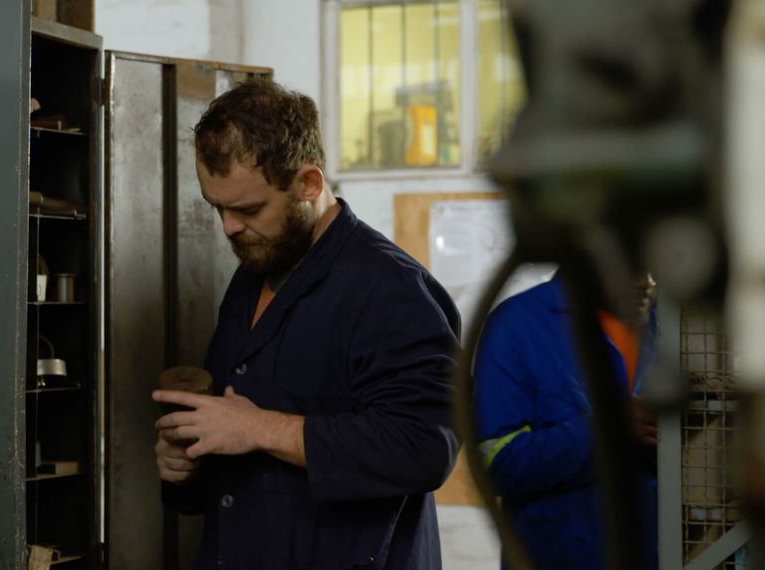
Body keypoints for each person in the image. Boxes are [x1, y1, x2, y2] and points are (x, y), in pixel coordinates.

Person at [151, 78, 462, 569]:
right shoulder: (253, 274)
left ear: (309, 184)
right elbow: (238, 443)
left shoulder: (390, 288)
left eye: (248, 208)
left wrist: (261, 428)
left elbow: (424, 447)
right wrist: (188, 468)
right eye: (218, 208)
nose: (229, 227)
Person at [473, 271, 659, 569]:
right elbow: (496, 464)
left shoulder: (676, 331)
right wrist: (609, 430)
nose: (647, 280)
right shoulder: (519, 323)